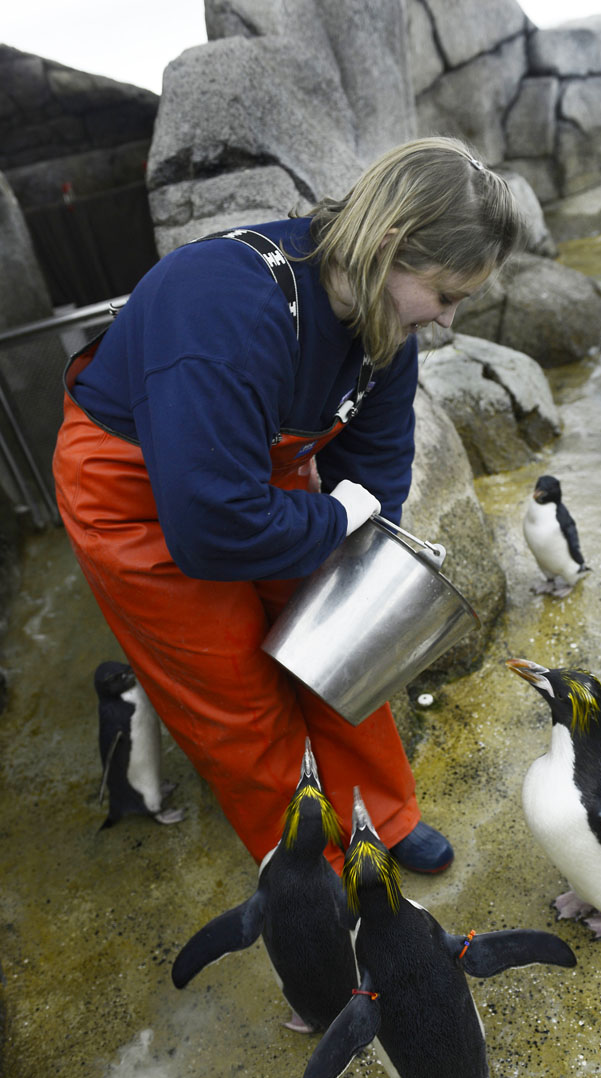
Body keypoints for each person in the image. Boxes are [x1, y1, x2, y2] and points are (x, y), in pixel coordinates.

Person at [53, 136, 525, 873]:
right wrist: (336, 520)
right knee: (235, 696)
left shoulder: (383, 333)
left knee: (340, 643)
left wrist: (361, 564)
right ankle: (316, 873)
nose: (446, 323)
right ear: (393, 244)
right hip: (134, 492)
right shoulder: (223, 301)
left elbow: (374, 475)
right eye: (447, 295)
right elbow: (213, 528)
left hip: (257, 479)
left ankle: (382, 819)